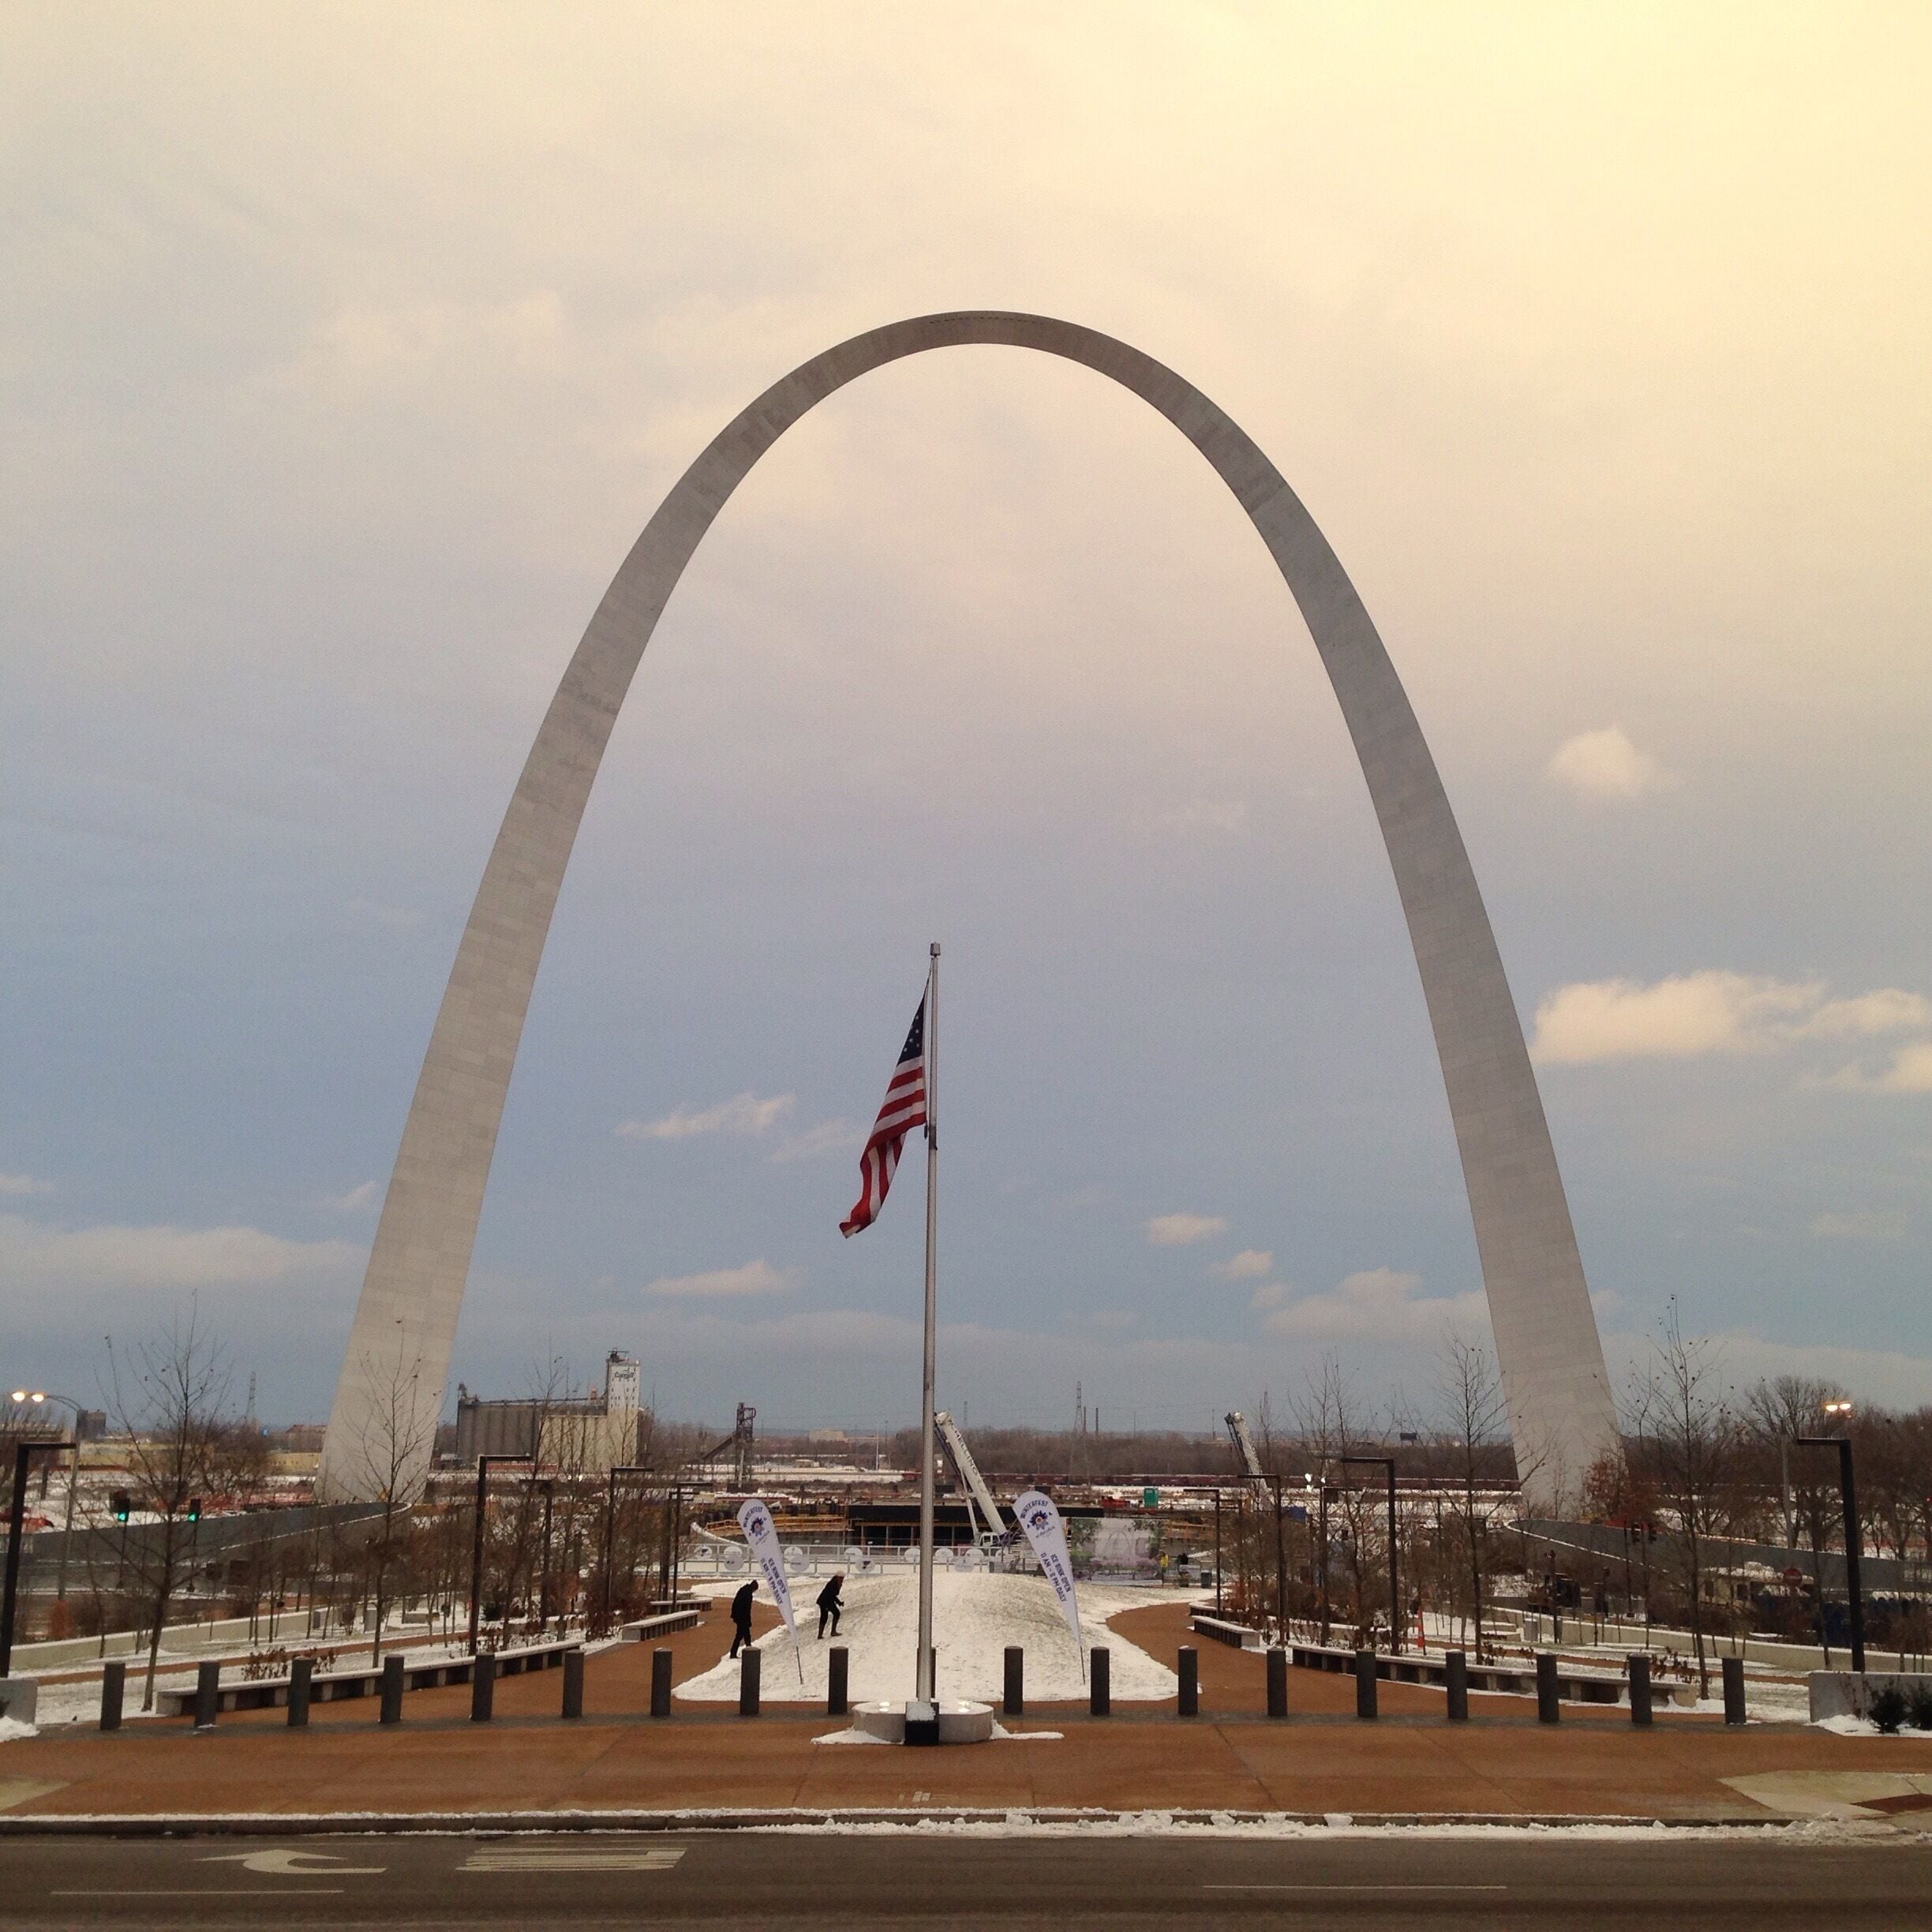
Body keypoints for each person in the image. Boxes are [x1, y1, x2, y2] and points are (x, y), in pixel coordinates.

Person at [728, 1578, 758, 1658]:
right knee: (740, 1635)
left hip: (738, 1616)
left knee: (746, 1634)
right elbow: (747, 1609)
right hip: (742, 1617)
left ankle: (748, 1648)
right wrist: (748, 1621)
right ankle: (734, 1653)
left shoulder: (743, 1590)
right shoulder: (748, 1594)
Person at [816, 1572, 844, 1640]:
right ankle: (831, 1632)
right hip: (825, 1602)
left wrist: (839, 1603)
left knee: (826, 1616)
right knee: (833, 1614)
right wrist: (827, 1606)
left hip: (827, 1601)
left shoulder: (835, 1583)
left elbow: (833, 1595)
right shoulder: (833, 1584)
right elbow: (830, 1595)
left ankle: (821, 1635)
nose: (842, 1579)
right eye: (841, 1578)